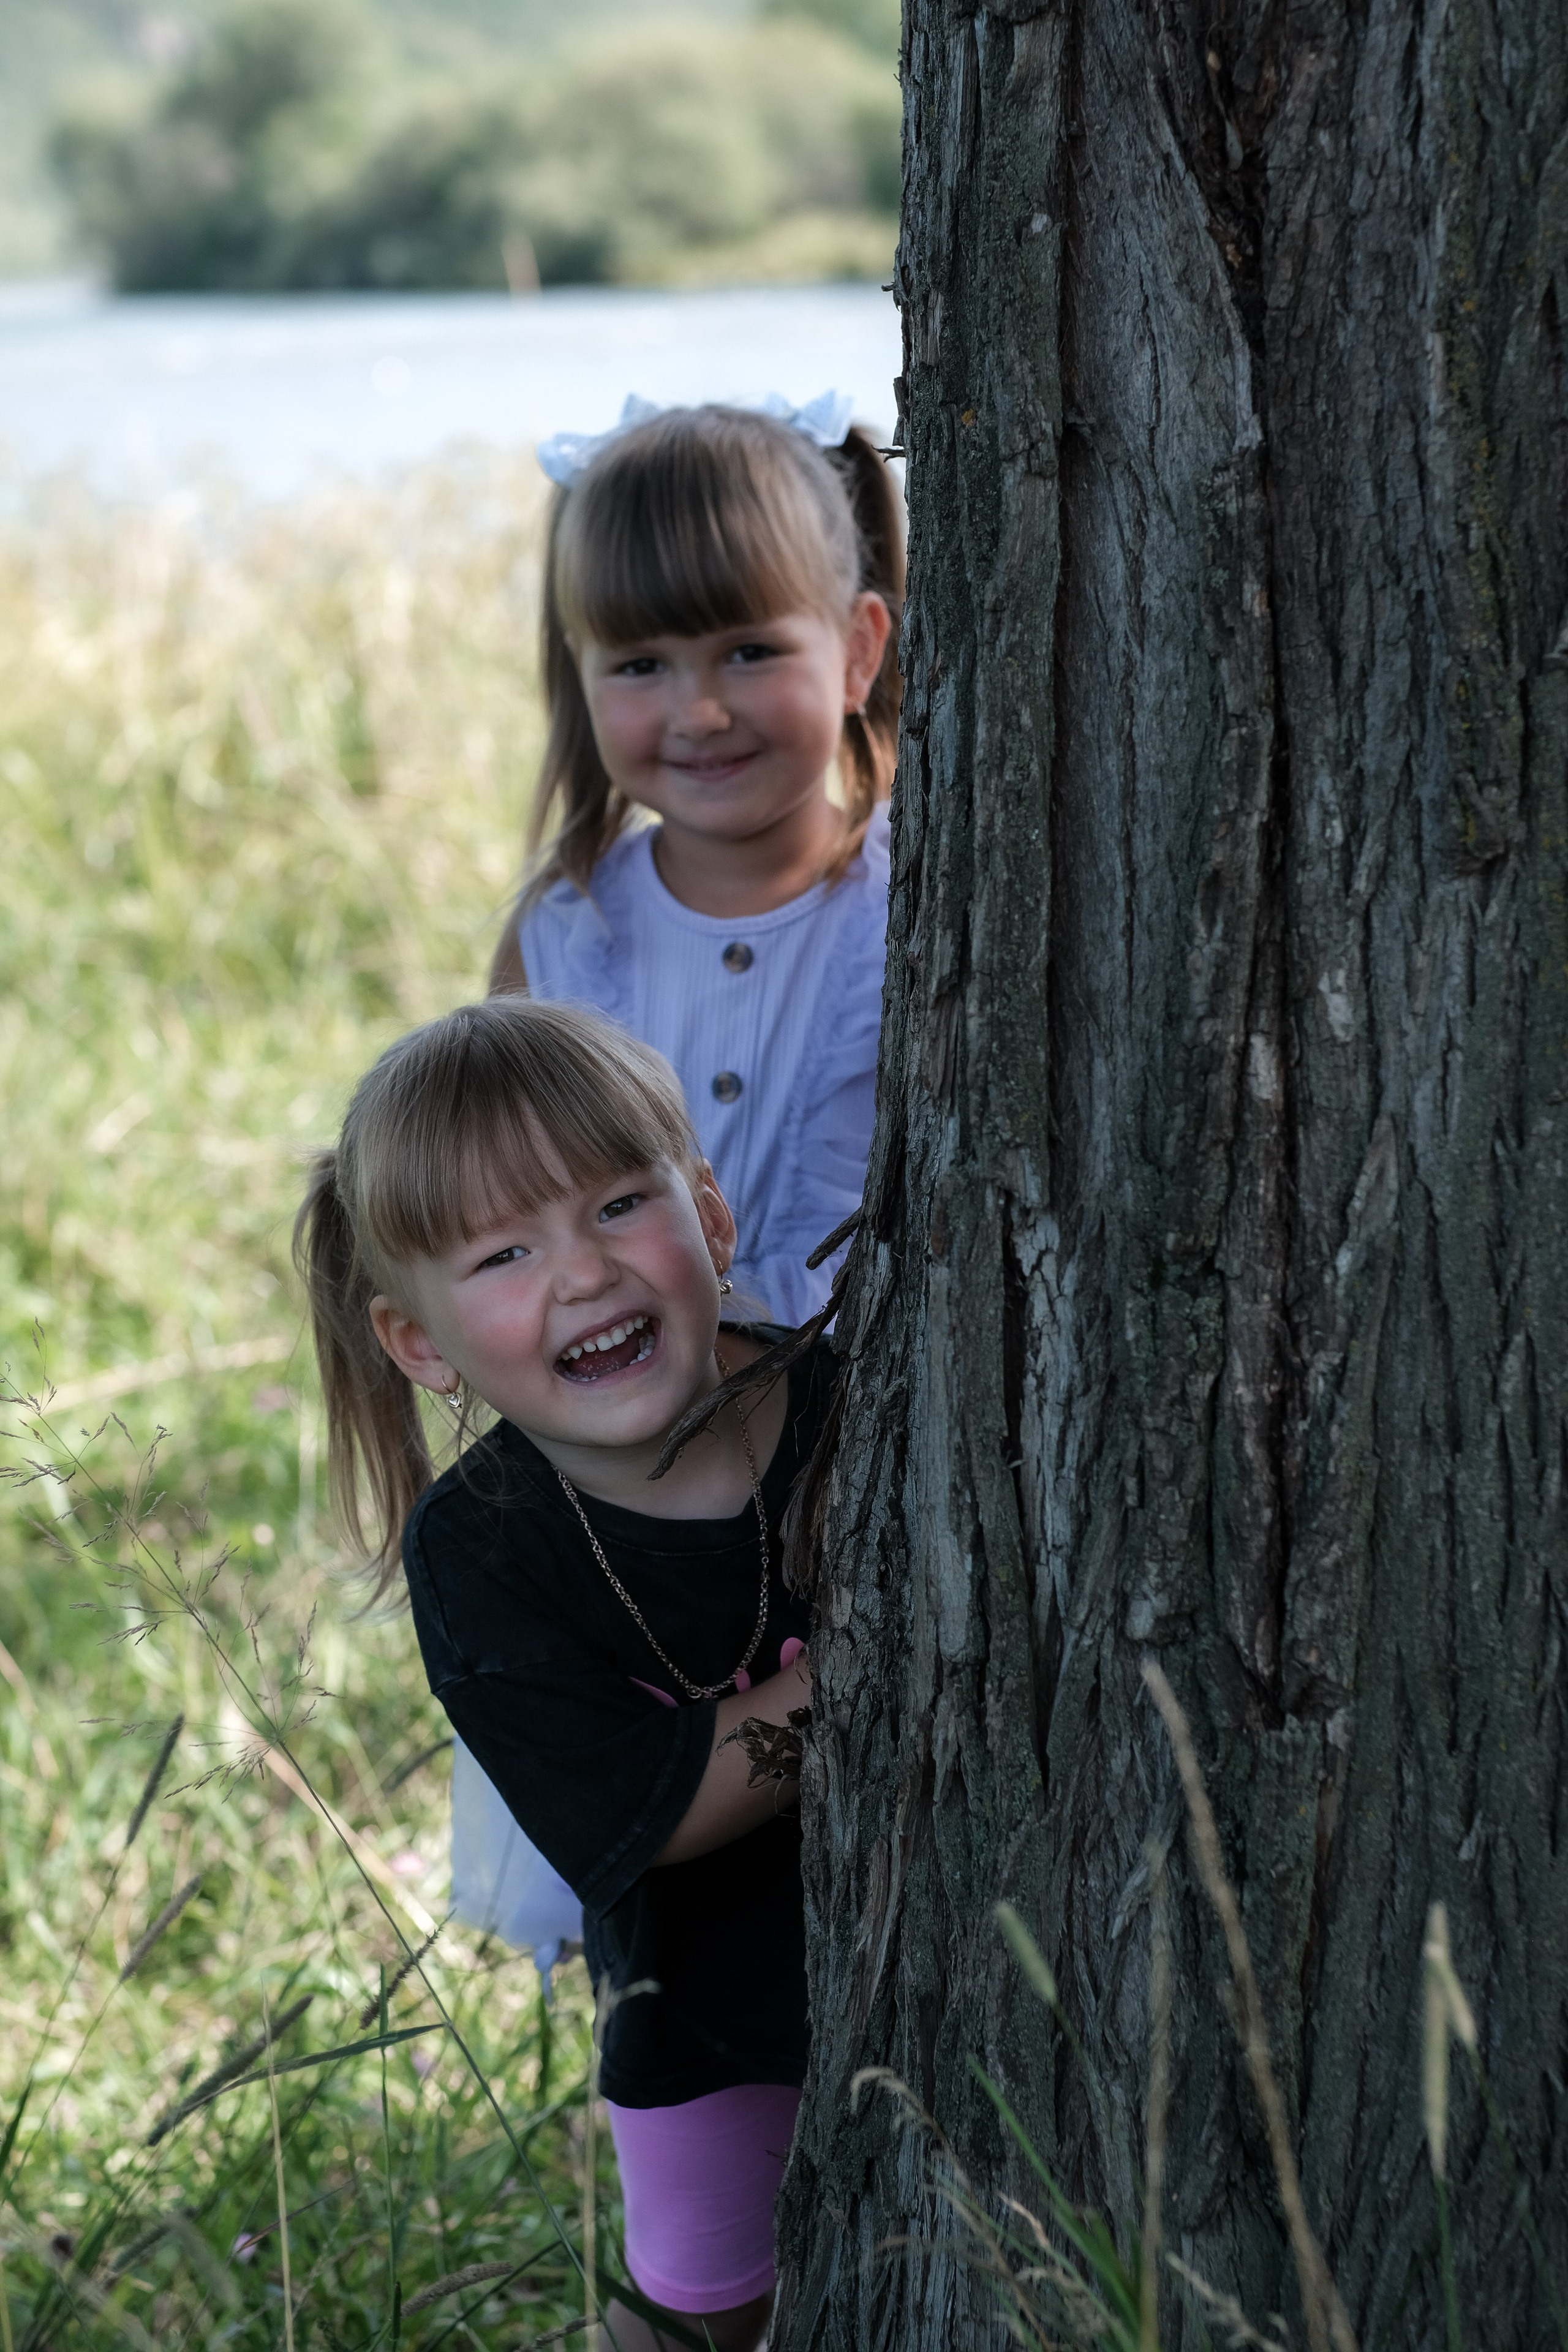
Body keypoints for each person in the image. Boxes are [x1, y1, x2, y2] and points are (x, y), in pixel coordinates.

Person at [295, 995, 827, 2352]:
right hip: (708, 2028)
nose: (582, 1276)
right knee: (699, 2323)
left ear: (707, 1220)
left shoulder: (854, 1402)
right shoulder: (484, 1552)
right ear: (422, 1350)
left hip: (956, 1969)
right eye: (503, 1254)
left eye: (612, 1207)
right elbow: (630, 1814)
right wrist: (865, 1677)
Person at [488, 391, 903, 1327]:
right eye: (640, 666)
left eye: (750, 651)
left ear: (856, 650)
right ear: (582, 674)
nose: (700, 713)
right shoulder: (564, 936)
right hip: (633, 1429)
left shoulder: (918, 905)